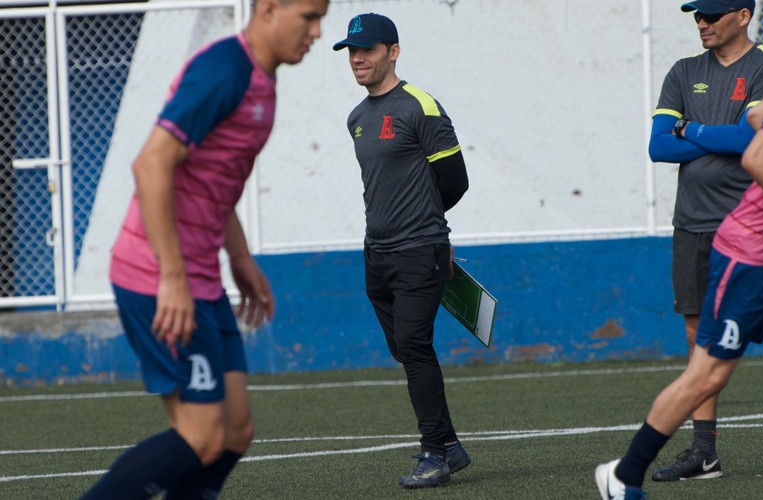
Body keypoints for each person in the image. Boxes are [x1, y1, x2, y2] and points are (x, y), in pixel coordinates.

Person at [81, 0, 329, 498]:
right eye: (308, 16)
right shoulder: (224, 71)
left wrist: (239, 259)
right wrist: (172, 279)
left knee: (234, 432)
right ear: (269, 9)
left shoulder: (264, 80)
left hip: (201, 279)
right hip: (159, 278)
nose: (317, 32)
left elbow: (214, 181)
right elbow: (151, 165)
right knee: (201, 436)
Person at [597, 75, 763, 500]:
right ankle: (624, 475)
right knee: (708, 375)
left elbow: (758, 113)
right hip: (751, 258)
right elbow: (758, 156)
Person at [647, 0, 763, 482]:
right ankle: (703, 454)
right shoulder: (682, 70)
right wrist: (715, 133)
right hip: (691, 222)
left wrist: (689, 128)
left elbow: (750, 141)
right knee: (697, 338)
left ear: (743, 15)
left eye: (711, 14)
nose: (702, 23)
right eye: (696, 16)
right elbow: (658, 146)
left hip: (754, 227)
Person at [332, 13, 471, 489]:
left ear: (393, 51)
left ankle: (433, 453)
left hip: (419, 251)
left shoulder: (420, 106)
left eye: (367, 50)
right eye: (352, 51)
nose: (357, 59)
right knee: (403, 349)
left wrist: (430, 229)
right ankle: (450, 445)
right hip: (377, 253)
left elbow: (455, 182)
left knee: (414, 345)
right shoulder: (356, 118)